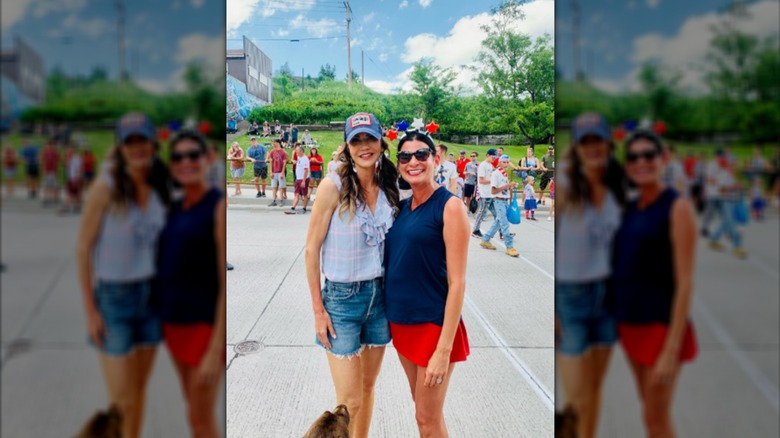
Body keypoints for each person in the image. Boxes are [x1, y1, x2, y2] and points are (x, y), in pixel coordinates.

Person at [303, 112, 399, 438]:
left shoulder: (390, 187)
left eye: (370, 138)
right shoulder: (333, 186)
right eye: (356, 140)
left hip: (379, 298)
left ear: (381, 142)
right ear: (347, 146)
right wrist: (318, 310)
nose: (364, 146)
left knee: (368, 388)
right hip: (341, 302)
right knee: (349, 403)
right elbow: (311, 250)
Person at [76, 112, 170, 438]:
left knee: (139, 390)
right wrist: (91, 310)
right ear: (120, 147)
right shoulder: (106, 188)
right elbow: (83, 249)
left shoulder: (160, 184)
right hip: (114, 300)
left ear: (152, 143)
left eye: (142, 139)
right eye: (130, 142)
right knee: (121, 400)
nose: (137, 147)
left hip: (152, 297)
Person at [385, 129, 471, 436]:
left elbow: (458, 283)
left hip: (433, 326)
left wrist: (443, 350)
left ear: (436, 158)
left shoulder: (450, 207)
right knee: (424, 412)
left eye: (421, 154)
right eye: (405, 156)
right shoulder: (402, 208)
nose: (413, 162)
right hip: (402, 323)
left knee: (426, 418)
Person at [613, 131, 698, 438]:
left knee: (656, 418)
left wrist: (671, 349)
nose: (641, 162)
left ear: (663, 159)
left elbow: (685, 282)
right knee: (649, 412)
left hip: (661, 328)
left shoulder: (677, 208)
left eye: (649, 155)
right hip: (631, 323)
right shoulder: (632, 208)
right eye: (633, 157)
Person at [555, 112, 626, 438]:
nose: (593, 147)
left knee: (595, 389)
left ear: (608, 143)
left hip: (608, 296)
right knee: (576, 399)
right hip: (570, 299)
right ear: (577, 147)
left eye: (598, 140)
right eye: (585, 142)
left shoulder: (617, 185)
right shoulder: (566, 184)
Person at [157, 131, 226, 438]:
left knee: (201, 418)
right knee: (193, 411)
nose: (185, 162)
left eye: (192, 155)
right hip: (174, 324)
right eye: (178, 157)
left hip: (204, 330)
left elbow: (223, 281)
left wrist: (215, 348)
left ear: (206, 159)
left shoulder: (217, 207)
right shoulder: (175, 207)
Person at [479, 155, 520, 257]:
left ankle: (485, 239)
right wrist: (507, 186)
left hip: (504, 200)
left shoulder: (504, 174)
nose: (506, 164)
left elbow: (503, 189)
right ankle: (509, 247)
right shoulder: (496, 174)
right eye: (504, 162)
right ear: (500, 162)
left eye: (507, 162)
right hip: (498, 201)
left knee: (498, 222)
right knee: (504, 224)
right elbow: (493, 191)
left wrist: (510, 187)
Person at [708, 153, 747, 258]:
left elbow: (738, 188)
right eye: (734, 162)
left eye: (736, 162)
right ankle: (738, 246)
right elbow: (721, 190)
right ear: (729, 163)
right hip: (727, 202)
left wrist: (740, 188)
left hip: (734, 202)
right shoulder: (724, 175)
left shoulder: (735, 175)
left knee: (725, 223)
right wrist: (733, 187)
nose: (736, 164)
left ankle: (713, 239)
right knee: (732, 225)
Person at [471, 148, 498, 238]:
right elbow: (481, 180)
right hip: (484, 193)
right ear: (488, 155)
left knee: (497, 214)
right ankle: (475, 230)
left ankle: (503, 231)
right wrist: (492, 180)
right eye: (493, 157)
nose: (494, 159)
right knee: (482, 213)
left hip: (490, 193)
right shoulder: (483, 165)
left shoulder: (490, 165)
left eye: (495, 157)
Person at [285, 145, 310, 214]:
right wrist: (294, 161)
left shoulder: (305, 159)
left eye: (297, 150)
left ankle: (304, 208)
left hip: (303, 179)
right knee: (296, 194)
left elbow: (306, 170)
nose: (295, 151)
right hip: (298, 178)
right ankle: (292, 208)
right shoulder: (299, 157)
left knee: (305, 194)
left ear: (301, 151)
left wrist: (303, 181)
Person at [61, 142, 83, 214]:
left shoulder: (76, 158)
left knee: (74, 193)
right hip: (70, 178)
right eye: (68, 149)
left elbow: (79, 169)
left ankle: (72, 206)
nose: (68, 150)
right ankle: (73, 206)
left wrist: (76, 178)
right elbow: (67, 166)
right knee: (71, 193)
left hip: (75, 178)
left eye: (70, 149)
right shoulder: (68, 158)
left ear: (74, 149)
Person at [268, 140, 289, 207]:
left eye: (275, 143)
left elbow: (284, 163)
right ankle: (274, 200)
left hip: (280, 171)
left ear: (278, 143)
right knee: (274, 186)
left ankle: (281, 200)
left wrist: (282, 172)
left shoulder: (283, 152)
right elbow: (271, 161)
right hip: (274, 171)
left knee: (281, 187)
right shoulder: (272, 151)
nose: (273, 144)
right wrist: (271, 171)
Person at [41, 139, 60, 206]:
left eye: (49, 145)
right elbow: (44, 162)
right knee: (46, 185)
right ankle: (46, 198)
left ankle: (54, 197)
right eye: (48, 145)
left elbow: (56, 163)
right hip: (47, 171)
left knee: (54, 185)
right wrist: (44, 170)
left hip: (52, 171)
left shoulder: (55, 153)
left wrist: (55, 171)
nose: (48, 146)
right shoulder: (45, 152)